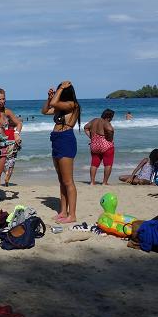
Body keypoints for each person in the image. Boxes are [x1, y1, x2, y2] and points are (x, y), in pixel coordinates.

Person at [42, 81, 80, 223]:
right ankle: (63, 211)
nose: (58, 91)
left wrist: (60, 90)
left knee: (68, 181)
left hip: (66, 140)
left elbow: (54, 104)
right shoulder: (60, 108)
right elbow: (45, 110)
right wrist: (49, 97)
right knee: (61, 180)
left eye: (60, 89)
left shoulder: (72, 104)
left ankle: (73, 215)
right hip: (56, 140)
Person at [84, 109, 115, 185]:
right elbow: (110, 130)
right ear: (108, 117)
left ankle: (92, 182)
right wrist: (110, 138)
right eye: (112, 118)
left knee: (94, 163)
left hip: (94, 145)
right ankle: (104, 182)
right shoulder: (106, 122)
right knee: (108, 163)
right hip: (105, 145)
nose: (112, 119)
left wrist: (91, 137)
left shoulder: (94, 120)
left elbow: (85, 127)